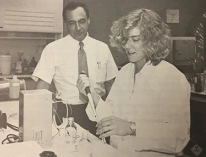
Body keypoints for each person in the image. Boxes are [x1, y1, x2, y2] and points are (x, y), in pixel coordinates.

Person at [77, 9, 190, 157]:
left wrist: (132, 128)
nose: (128, 46)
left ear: (152, 40)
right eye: (125, 40)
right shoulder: (125, 72)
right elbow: (112, 116)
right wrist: (92, 94)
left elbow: (178, 137)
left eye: (135, 39)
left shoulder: (172, 78)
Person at [32, 2, 118, 136]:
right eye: (72, 23)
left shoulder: (102, 48)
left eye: (82, 21)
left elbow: (112, 87)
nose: (78, 28)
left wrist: (114, 115)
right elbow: (40, 91)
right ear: (66, 24)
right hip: (67, 114)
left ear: (89, 20)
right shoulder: (53, 49)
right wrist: (36, 122)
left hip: (99, 113)